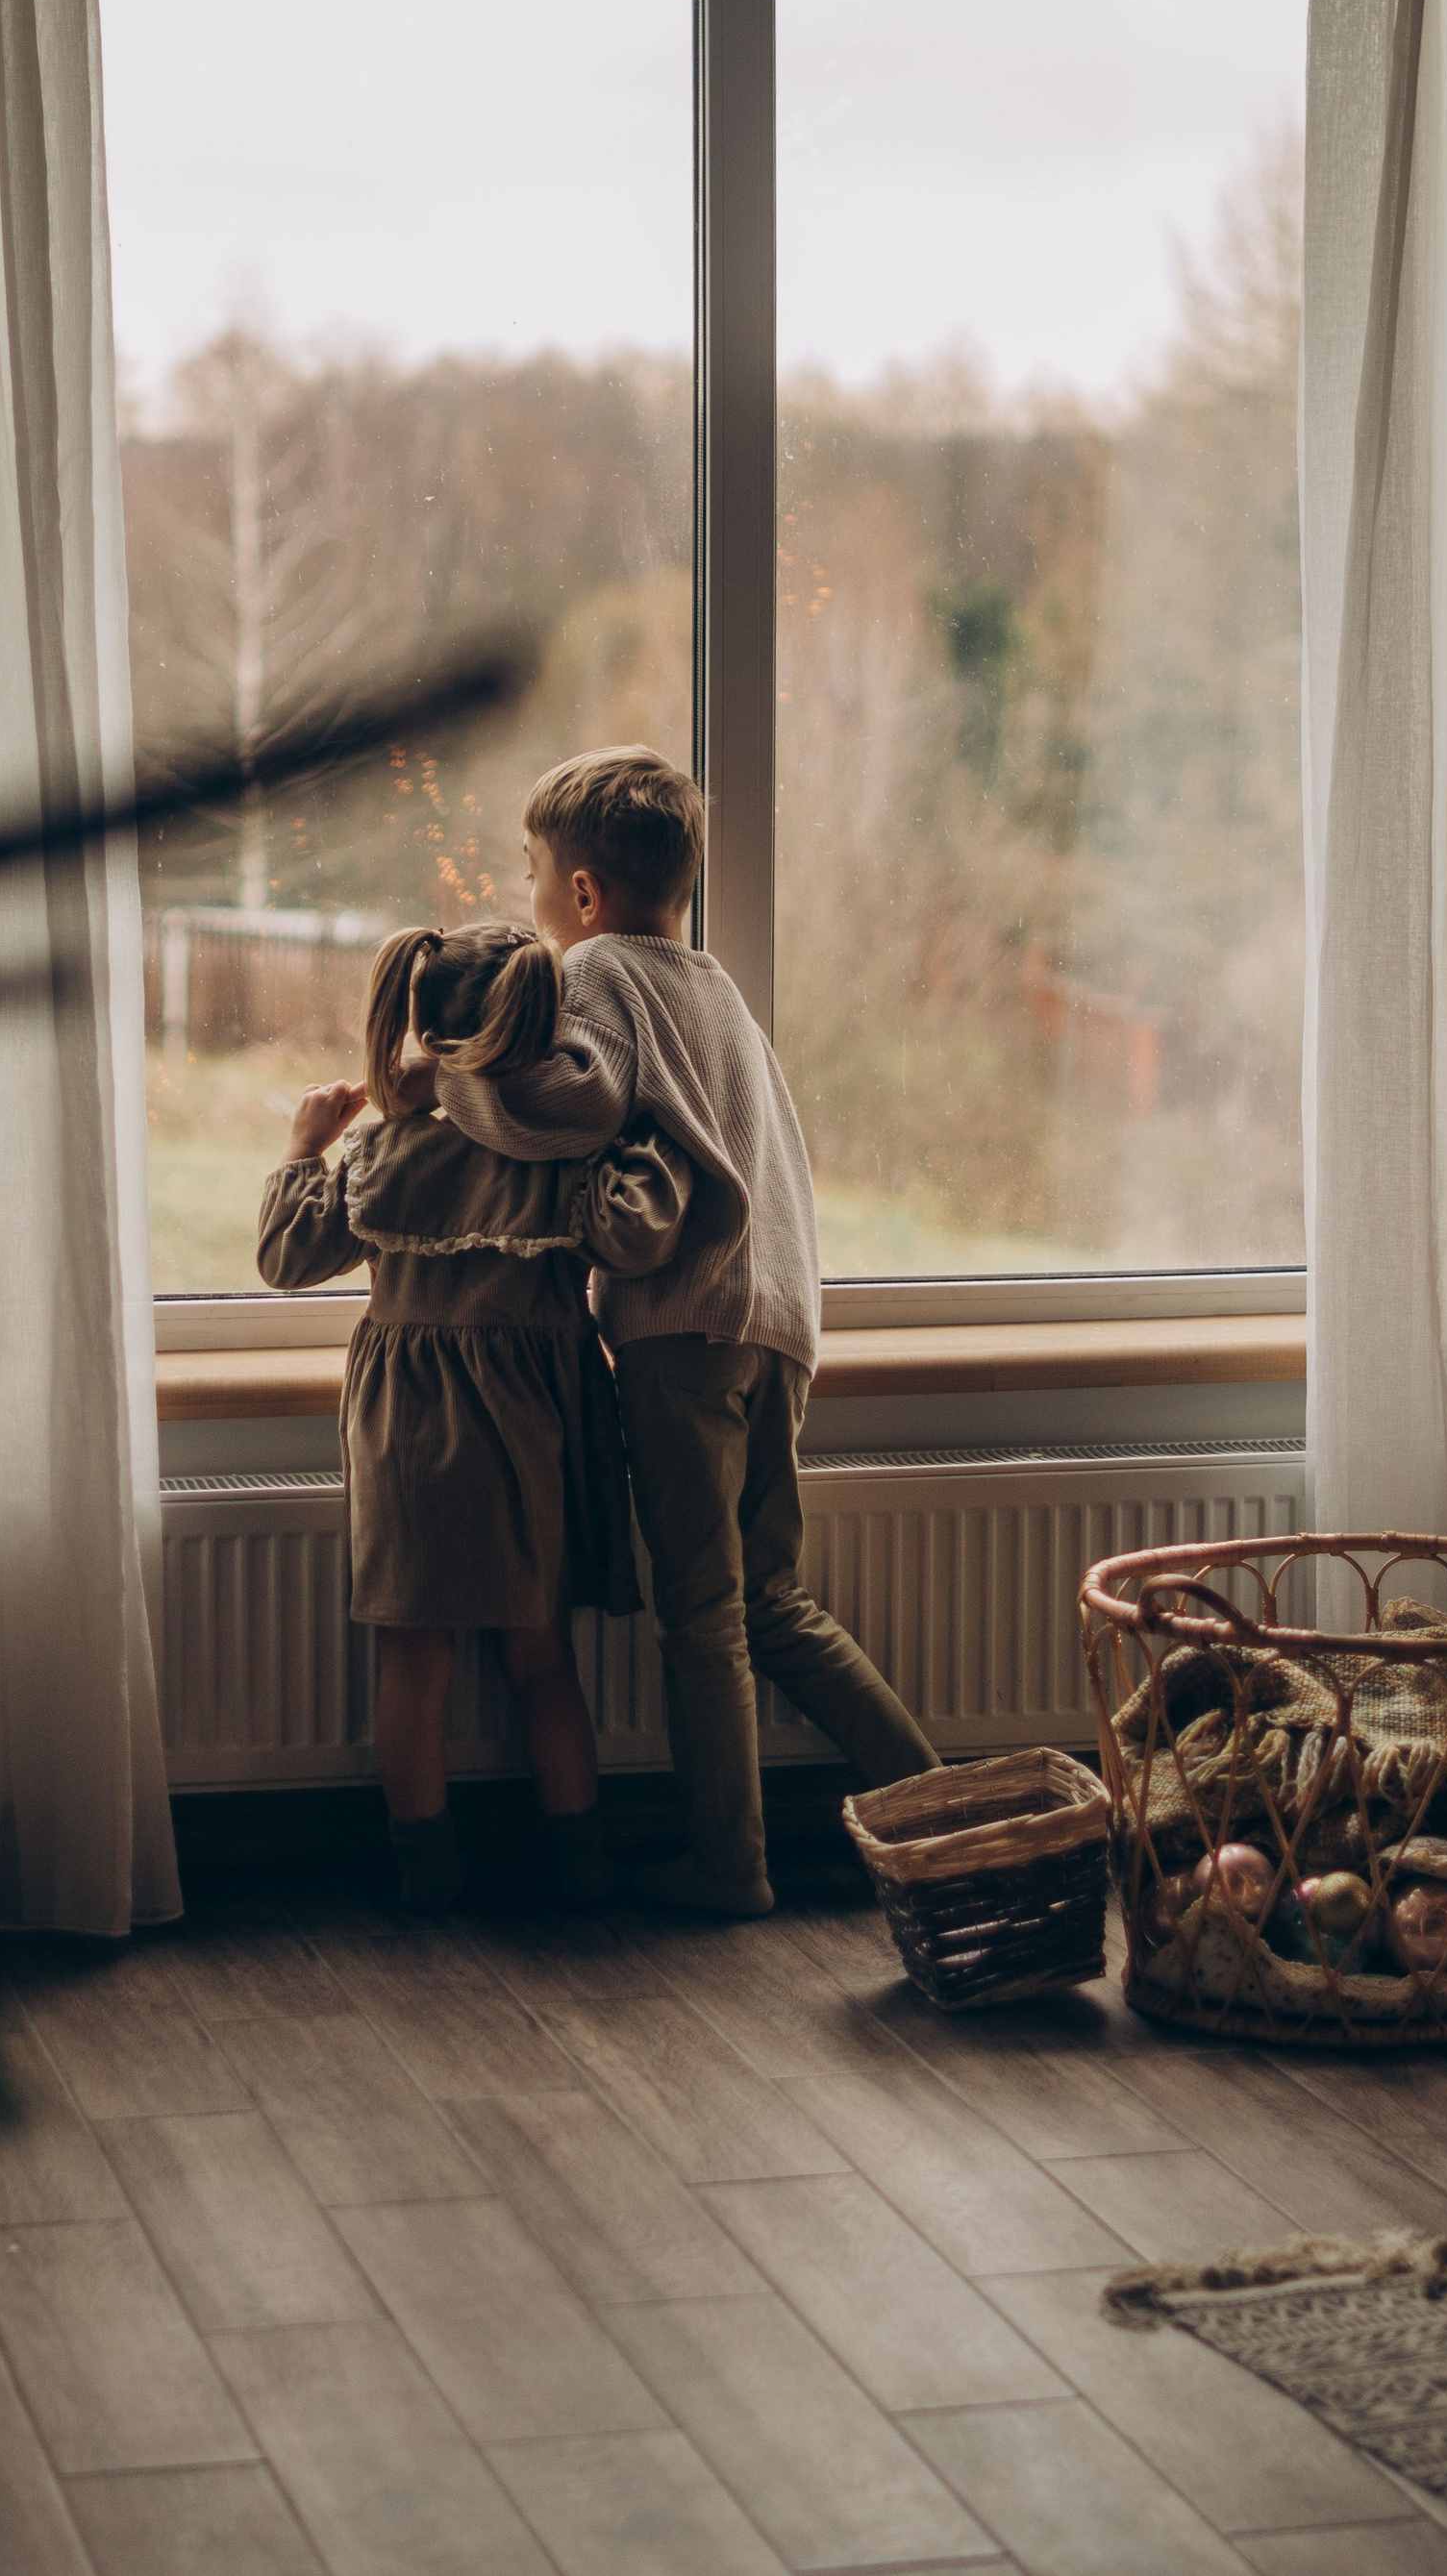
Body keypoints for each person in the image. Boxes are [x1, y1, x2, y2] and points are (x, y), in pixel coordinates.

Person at [435, 745, 939, 1918]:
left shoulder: (601, 969)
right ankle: (951, 1803)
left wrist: (447, 1082)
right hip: (777, 1324)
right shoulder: (715, 984)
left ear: (583, 895)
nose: (530, 904)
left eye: (531, 878)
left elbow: (579, 1102)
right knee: (773, 1602)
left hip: (684, 1333)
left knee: (703, 1614)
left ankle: (730, 1867)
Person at [257, 915, 690, 1915]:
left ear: (417, 1016)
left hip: (410, 1427)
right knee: (542, 1658)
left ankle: (426, 1874)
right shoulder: (559, 1153)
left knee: (415, 1655)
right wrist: (645, 1132)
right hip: (534, 1430)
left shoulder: (383, 1151)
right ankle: (581, 1865)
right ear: (543, 1025)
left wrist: (301, 1148)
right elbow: (640, 1240)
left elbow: (285, 1260)